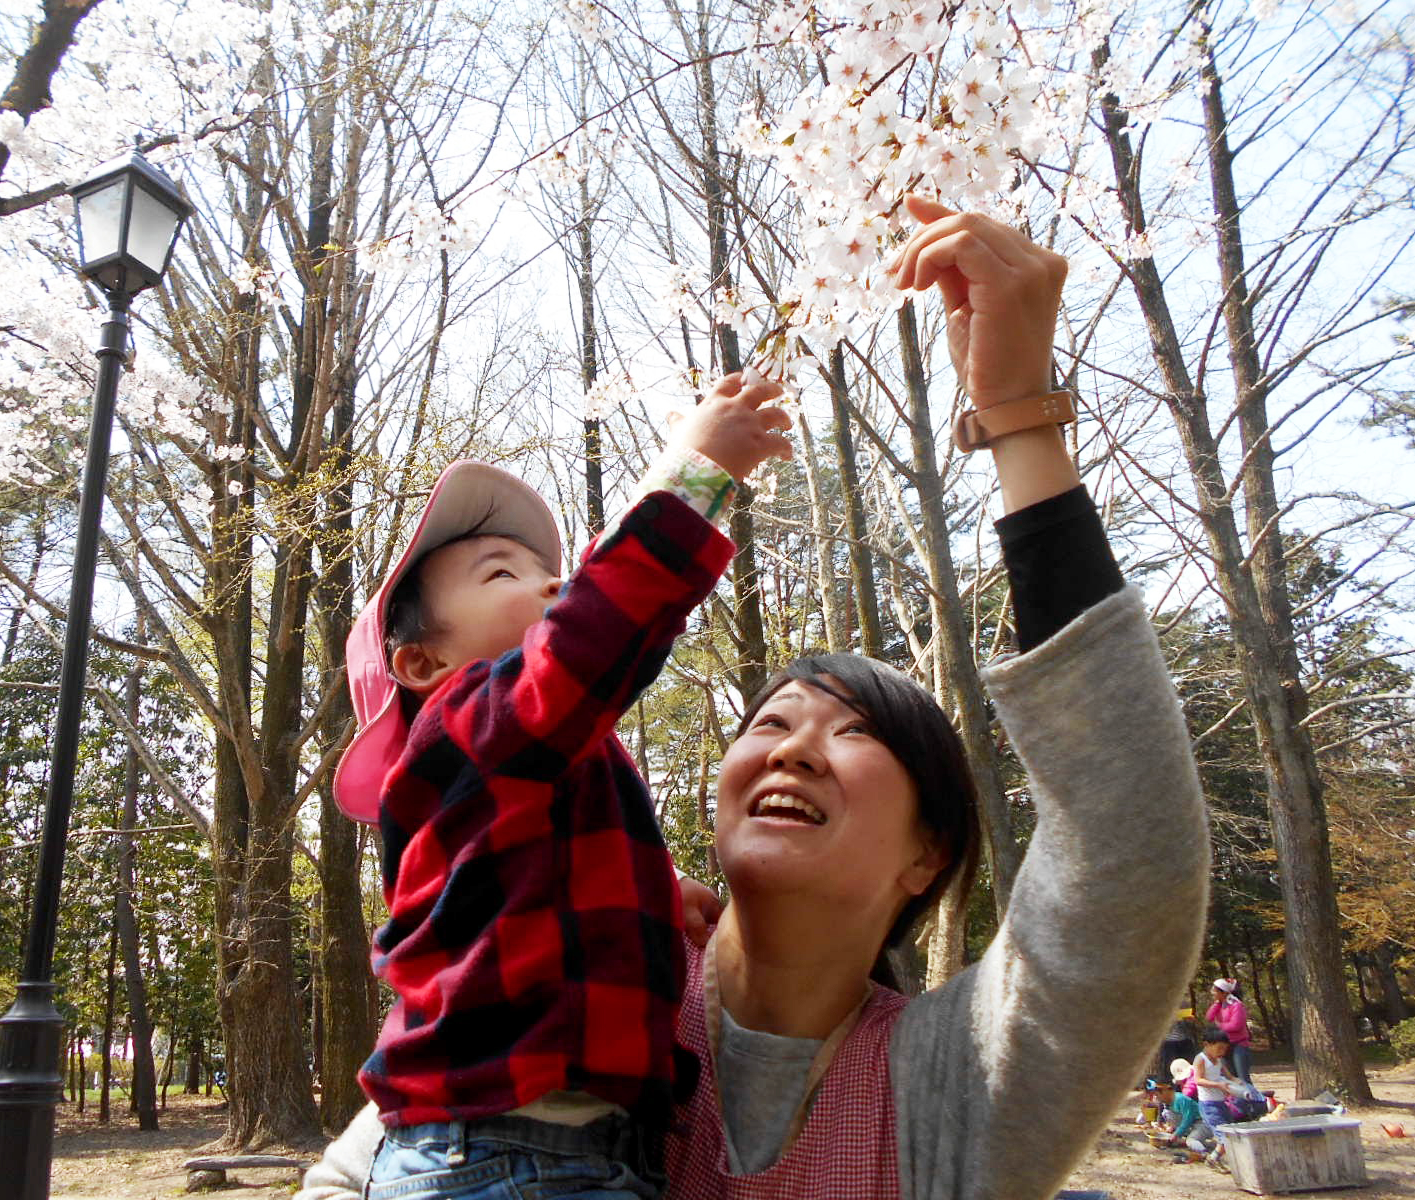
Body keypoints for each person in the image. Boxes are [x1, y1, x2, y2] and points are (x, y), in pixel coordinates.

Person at [299, 195, 1209, 1200]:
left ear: (930, 852)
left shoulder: (955, 1078)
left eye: (856, 732)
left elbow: (1131, 850)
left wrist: (1019, 417)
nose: (794, 747)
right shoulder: (516, 1013)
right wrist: (692, 479)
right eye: (768, 722)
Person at [322, 371, 793, 1200]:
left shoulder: (527, 760)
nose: (549, 584)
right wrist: (692, 478)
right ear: (423, 665)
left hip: (558, 1149)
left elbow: (529, 886)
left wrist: (656, 893)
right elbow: (591, 634)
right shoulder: (468, 716)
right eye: (503, 575)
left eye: (551, 571)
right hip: (506, 1152)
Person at [1193, 1027, 1239, 1134]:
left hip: (1221, 1102)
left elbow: (1229, 1076)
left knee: (1229, 1130)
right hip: (1208, 1103)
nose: (1222, 1052)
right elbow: (1198, 1080)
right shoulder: (1200, 1059)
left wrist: (1236, 1084)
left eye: (1225, 1049)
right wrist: (1218, 1085)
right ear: (1206, 1045)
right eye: (1219, 1048)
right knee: (1221, 1133)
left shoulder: (1218, 1059)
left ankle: (1219, 1151)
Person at [1207, 977, 1253, 1082]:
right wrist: (1216, 1004)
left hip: (1239, 1045)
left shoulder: (1236, 1005)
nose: (1212, 993)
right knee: (1230, 1077)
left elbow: (1236, 1025)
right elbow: (1209, 1017)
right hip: (1224, 1046)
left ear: (1223, 993)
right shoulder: (1219, 1005)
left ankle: (1252, 1097)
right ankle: (1235, 1098)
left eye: (1215, 990)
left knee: (1243, 1078)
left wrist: (1220, 1025)